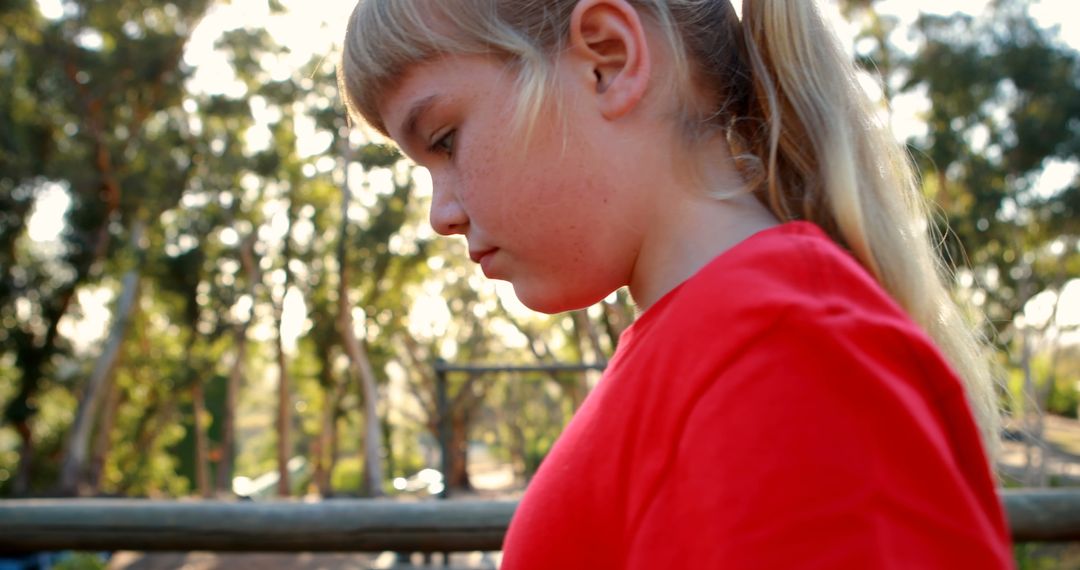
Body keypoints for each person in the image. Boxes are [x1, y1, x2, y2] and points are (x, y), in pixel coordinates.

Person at [338, 0, 1014, 567]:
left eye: (446, 140)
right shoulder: (727, 342)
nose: (441, 215)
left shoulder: (780, 350)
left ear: (607, 60)